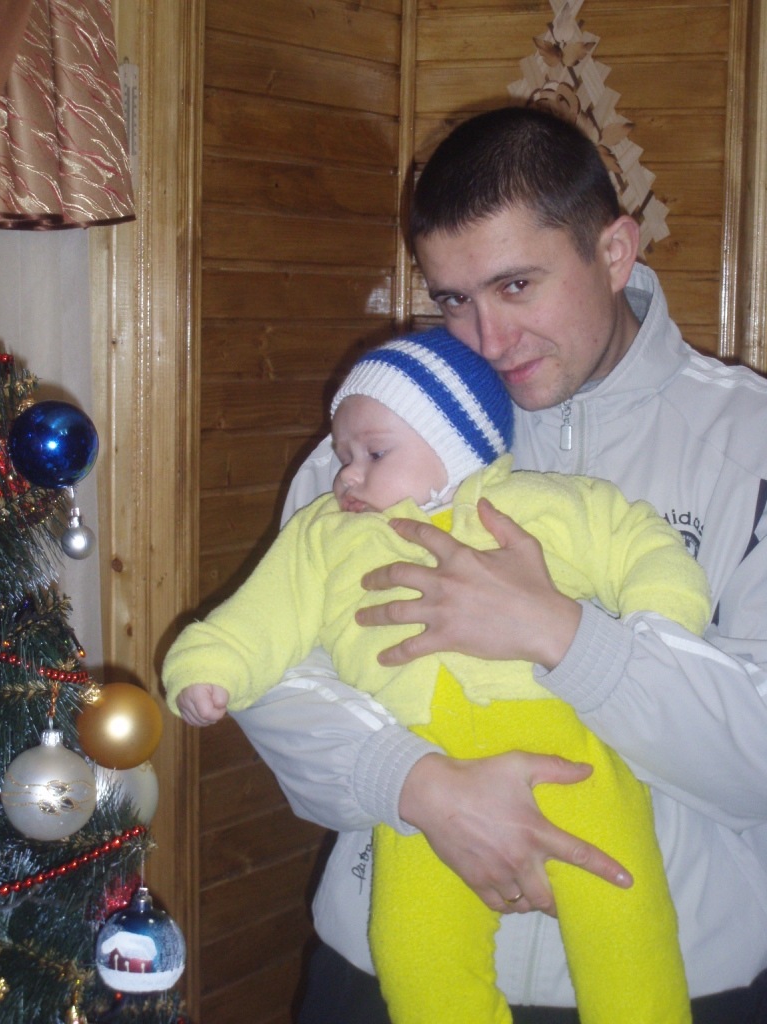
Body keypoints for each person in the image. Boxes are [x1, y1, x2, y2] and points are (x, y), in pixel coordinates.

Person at [230, 106, 767, 1023]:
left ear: (615, 251)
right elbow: (269, 670)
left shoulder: (747, 444)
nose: (486, 337)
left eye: (516, 285)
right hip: (387, 973)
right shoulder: (378, 441)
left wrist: (564, 636)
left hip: (670, 981)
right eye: (452, 299)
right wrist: (415, 785)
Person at [164, 329, 709, 1024]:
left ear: (454, 446)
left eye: (375, 453)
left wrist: (664, 624)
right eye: (343, 455)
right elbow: (258, 617)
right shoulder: (323, 536)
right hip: (425, 773)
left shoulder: (538, 505)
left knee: (624, 930)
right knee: (415, 948)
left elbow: (639, 544)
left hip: (573, 757)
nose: (346, 476)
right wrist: (208, 666)